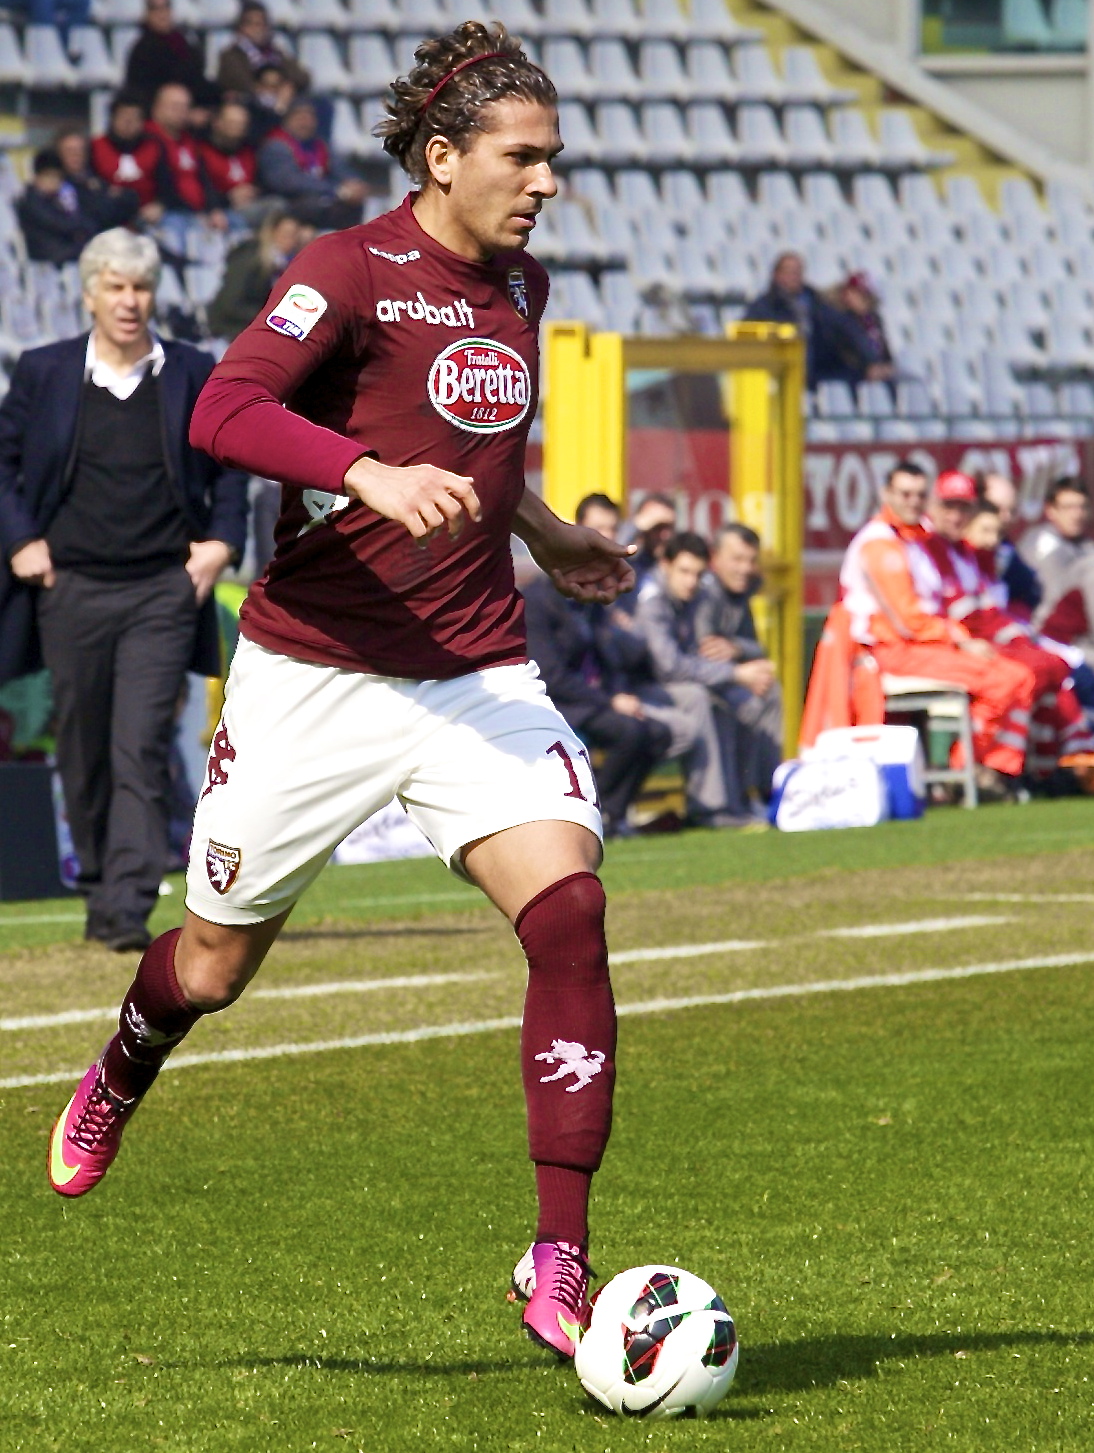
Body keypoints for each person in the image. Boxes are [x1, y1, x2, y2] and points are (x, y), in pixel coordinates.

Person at [47, 23, 634, 1367]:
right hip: (312, 673)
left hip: (477, 667)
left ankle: (557, 1258)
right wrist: (361, 475)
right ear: (442, 157)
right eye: (521, 156)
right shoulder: (344, 266)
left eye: (554, 159)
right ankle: (121, 1069)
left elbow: (474, 446)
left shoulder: (523, 288)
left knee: (572, 910)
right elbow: (226, 411)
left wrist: (542, 532)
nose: (545, 181)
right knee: (211, 961)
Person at [0, 229, 247, 950]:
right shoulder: (46, 372)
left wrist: (221, 546)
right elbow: (4, 464)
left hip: (162, 594)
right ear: (90, 294)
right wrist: (21, 542)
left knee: (140, 745)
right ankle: (100, 882)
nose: (129, 301)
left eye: (140, 287)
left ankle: (128, 906)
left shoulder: (192, 371)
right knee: (81, 748)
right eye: (115, 287)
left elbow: (232, 463)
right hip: (68, 588)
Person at [840, 460, 1036, 789]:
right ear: (886, 493)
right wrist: (959, 638)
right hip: (894, 651)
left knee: (1018, 676)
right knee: (1004, 679)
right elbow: (908, 621)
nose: (912, 501)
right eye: (905, 493)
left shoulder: (913, 540)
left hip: (924, 645)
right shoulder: (881, 542)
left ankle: (989, 769)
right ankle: (965, 771)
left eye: (919, 494)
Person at [524, 494, 673, 838]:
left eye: (612, 529)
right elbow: (552, 676)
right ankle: (592, 815)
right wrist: (610, 701)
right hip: (563, 705)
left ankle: (612, 816)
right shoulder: (540, 600)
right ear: (576, 531)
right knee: (630, 733)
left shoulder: (595, 597)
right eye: (598, 528)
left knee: (658, 732)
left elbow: (611, 659)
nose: (605, 538)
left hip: (597, 700)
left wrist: (620, 693)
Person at [924, 471, 1094, 772]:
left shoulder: (975, 557)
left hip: (990, 640)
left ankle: (1055, 763)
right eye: (950, 507)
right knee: (1023, 675)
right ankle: (978, 766)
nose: (956, 516)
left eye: (963, 508)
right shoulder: (935, 551)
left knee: (1053, 672)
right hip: (948, 645)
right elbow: (954, 615)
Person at [633, 531, 758, 824]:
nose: (691, 581)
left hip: (666, 686)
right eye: (684, 572)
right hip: (638, 689)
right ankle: (708, 808)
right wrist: (735, 672)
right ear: (666, 566)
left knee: (732, 700)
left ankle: (739, 800)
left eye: (698, 574)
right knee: (698, 696)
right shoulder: (652, 602)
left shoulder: (693, 597)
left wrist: (731, 669)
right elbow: (669, 667)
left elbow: (697, 653)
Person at [694, 522, 782, 801]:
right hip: (700, 680)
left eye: (751, 560)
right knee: (746, 701)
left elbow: (756, 647)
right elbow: (702, 652)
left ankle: (767, 792)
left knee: (769, 688)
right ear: (715, 558)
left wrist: (736, 648)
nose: (745, 568)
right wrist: (739, 672)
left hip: (723, 675)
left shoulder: (741, 591)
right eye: (737, 559)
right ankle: (736, 799)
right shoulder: (705, 594)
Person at [743, 251, 852, 390]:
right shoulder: (764, 306)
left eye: (798, 271)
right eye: (790, 271)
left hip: (818, 369)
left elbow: (842, 327)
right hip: (781, 372)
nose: (795, 276)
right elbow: (748, 336)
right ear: (777, 275)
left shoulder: (816, 301)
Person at [257, 97, 367, 230]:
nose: (305, 123)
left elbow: (341, 168)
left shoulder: (320, 145)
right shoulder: (276, 145)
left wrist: (354, 183)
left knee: (354, 203)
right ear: (288, 120)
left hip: (323, 199)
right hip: (291, 202)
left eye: (309, 118)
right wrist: (337, 190)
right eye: (300, 118)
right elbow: (289, 182)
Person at [1022, 479, 1094, 668]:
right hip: (1047, 635)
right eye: (1068, 507)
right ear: (1050, 511)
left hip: (1078, 635)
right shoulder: (1042, 545)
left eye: (1082, 507)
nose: (1076, 514)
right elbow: (1049, 603)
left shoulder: (1086, 546)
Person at [206, 204, 303, 340]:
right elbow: (230, 303)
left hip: (257, 327)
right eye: (287, 235)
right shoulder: (249, 260)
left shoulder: (282, 265)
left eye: (295, 236)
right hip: (231, 328)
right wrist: (267, 316)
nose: (293, 242)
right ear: (272, 233)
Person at [124, 0, 219, 123]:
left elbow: (197, 79)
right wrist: (185, 113)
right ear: (147, 14)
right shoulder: (142, 50)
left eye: (166, 7)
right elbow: (142, 92)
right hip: (161, 115)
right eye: (155, 9)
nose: (162, 14)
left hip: (190, 106)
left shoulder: (183, 42)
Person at [146, 83, 224, 226]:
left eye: (185, 107)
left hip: (200, 214)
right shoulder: (148, 139)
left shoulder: (190, 140)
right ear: (157, 108)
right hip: (171, 213)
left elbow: (203, 178)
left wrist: (214, 209)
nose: (181, 112)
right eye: (175, 107)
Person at [15, 148, 97, 266]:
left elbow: (82, 218)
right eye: (48, 176)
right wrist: (80, 228)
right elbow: (57, 223)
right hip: (44, 252)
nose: (53, 181)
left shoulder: (58, 198)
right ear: (37, 176)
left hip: (61, 249)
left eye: (57, 177)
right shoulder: (30, 201)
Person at [91, 93, 164, 221]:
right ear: (113, 119)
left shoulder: (154, 147)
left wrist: (159, 205)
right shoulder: (96, 146)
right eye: (123, 116)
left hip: (148, 217)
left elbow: (166, 184)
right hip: (108, 216)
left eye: (134, 118)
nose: (128, 122)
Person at [54, 124, 140, 233]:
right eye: (69, 150)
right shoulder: (56, 185)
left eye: (80, 149)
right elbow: (84, 218)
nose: (76, 154)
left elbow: (129, 202)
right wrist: (109, 199)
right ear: (59, 153)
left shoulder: (95, 178)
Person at [979, 469, 1041, 619]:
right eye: (996, 509)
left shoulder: (1006, 551)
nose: (1005, 518)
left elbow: (1027, 589)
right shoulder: (955, 552)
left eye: (1011, 511)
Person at [216, 1, 310, 99]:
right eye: (252, 24)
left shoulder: (276, 53)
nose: (258, 29)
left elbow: (302, 77)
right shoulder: (231, 55)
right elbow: (239, 82)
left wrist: (287, 86)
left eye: (262, 24)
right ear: (241, 27)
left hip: (280, 101)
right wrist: (264, 89)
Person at [197, 100, 260, 214]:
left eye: (241, 124)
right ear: (217, 123)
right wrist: (228, 198)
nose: (237, 129)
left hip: (252, 206)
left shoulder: (249, 151)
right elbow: (198, 189)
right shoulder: (201, 151)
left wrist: (253, 192)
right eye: (232, 123)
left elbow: (262, 183)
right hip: (218, 211)